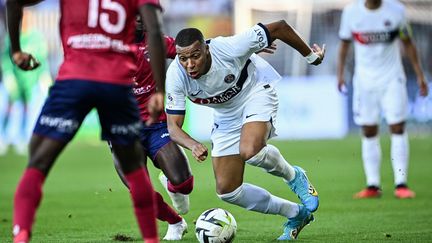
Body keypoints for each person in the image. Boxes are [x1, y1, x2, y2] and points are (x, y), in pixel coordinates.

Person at [7, 0, 167, 242]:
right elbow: (154, 30)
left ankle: (21, 235)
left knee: (38, 162)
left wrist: (16, 49)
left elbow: (14, 1)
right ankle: (151, 239)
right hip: (116, 84)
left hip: (74, 81)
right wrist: (160, 90)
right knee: (134, 168)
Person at [165, 21, 325, 240]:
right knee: (228, 191)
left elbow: (279, 27)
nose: (190, 64)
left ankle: (294, 176)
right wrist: (193, 145)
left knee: (250, 150)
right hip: (225, 114)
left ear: (207, 49)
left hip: (255, 92)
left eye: (195, 56)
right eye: (183, 58)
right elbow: (173, 127)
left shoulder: (228, 47)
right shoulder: (176, 74)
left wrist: (311, 57)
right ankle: (296, 214)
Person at [337, 0, 429, 199]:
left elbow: (408, 42)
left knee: (397, 127)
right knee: (368, 130)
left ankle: (401, 184)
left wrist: (420, 74)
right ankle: (372, 185)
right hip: (364, 82)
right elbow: (344, 44)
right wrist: (340, 74)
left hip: (392, 79)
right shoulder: (351, 13)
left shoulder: (397, 11)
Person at [110, 16, 190, 240]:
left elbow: (191, 49)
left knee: (184, 183)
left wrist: (241, 52)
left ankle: (172, 183)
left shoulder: (156, 42)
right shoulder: (107, 45)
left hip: (155, 125)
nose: (141, 19)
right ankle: (175, 223)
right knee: (140, 193)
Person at [0, 10, 52, 155]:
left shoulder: (36, 37)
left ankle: (22, 139)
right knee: (10, 109)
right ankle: (3, 137)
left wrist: (44, 76)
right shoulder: (12, 38)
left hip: (30, 81)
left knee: (28, 109)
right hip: (16, 79)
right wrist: (9, 76)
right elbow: (6, 59)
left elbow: (41, 59)